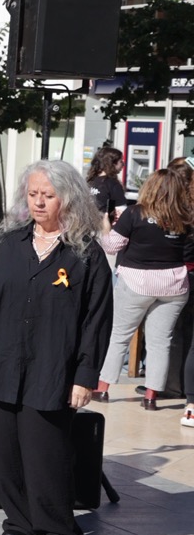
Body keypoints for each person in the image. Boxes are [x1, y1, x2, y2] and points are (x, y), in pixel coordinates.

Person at [0, 160, 113, 535]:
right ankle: (19, 523)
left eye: (48, 195)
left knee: (46, 453)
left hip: (52, 369)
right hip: (1, 364)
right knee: (4, 452)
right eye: (32, 195)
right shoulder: (7, 246)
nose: (39, 203)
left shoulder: (85, 255)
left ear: (69, 199)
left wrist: (85, 376)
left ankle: (59, 530)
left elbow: (97, 320)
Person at [95, 165, 194, 410]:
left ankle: (103, 388)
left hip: (136, 282)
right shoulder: (185, 218)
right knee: (160, 342)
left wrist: (106, 226)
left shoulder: (134, 213)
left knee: (119, 336)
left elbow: (111, 246)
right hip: (173, 285)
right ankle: (150, 396)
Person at [87, 147, 128, 225]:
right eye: (121, 161)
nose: (123, 164)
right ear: (112, 163)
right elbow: (121, 212)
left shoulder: (89, 181)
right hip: (104, 227)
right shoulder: (112, 184)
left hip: (88, 225)